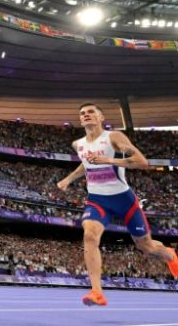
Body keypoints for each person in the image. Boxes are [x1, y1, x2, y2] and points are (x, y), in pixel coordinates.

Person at [57, 103, 178, 306]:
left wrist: (108, 160)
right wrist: (68, 179)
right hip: (97, 200)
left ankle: (171, 255)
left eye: (90, 112)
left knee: (146, 247)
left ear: (101, 116)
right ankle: (96, 292)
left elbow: (142, 161)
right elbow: (85, 164)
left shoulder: (114, 137)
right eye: (82, 113)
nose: (86, 115)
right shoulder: (78, 144)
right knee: (89, 235)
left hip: (124, 200)